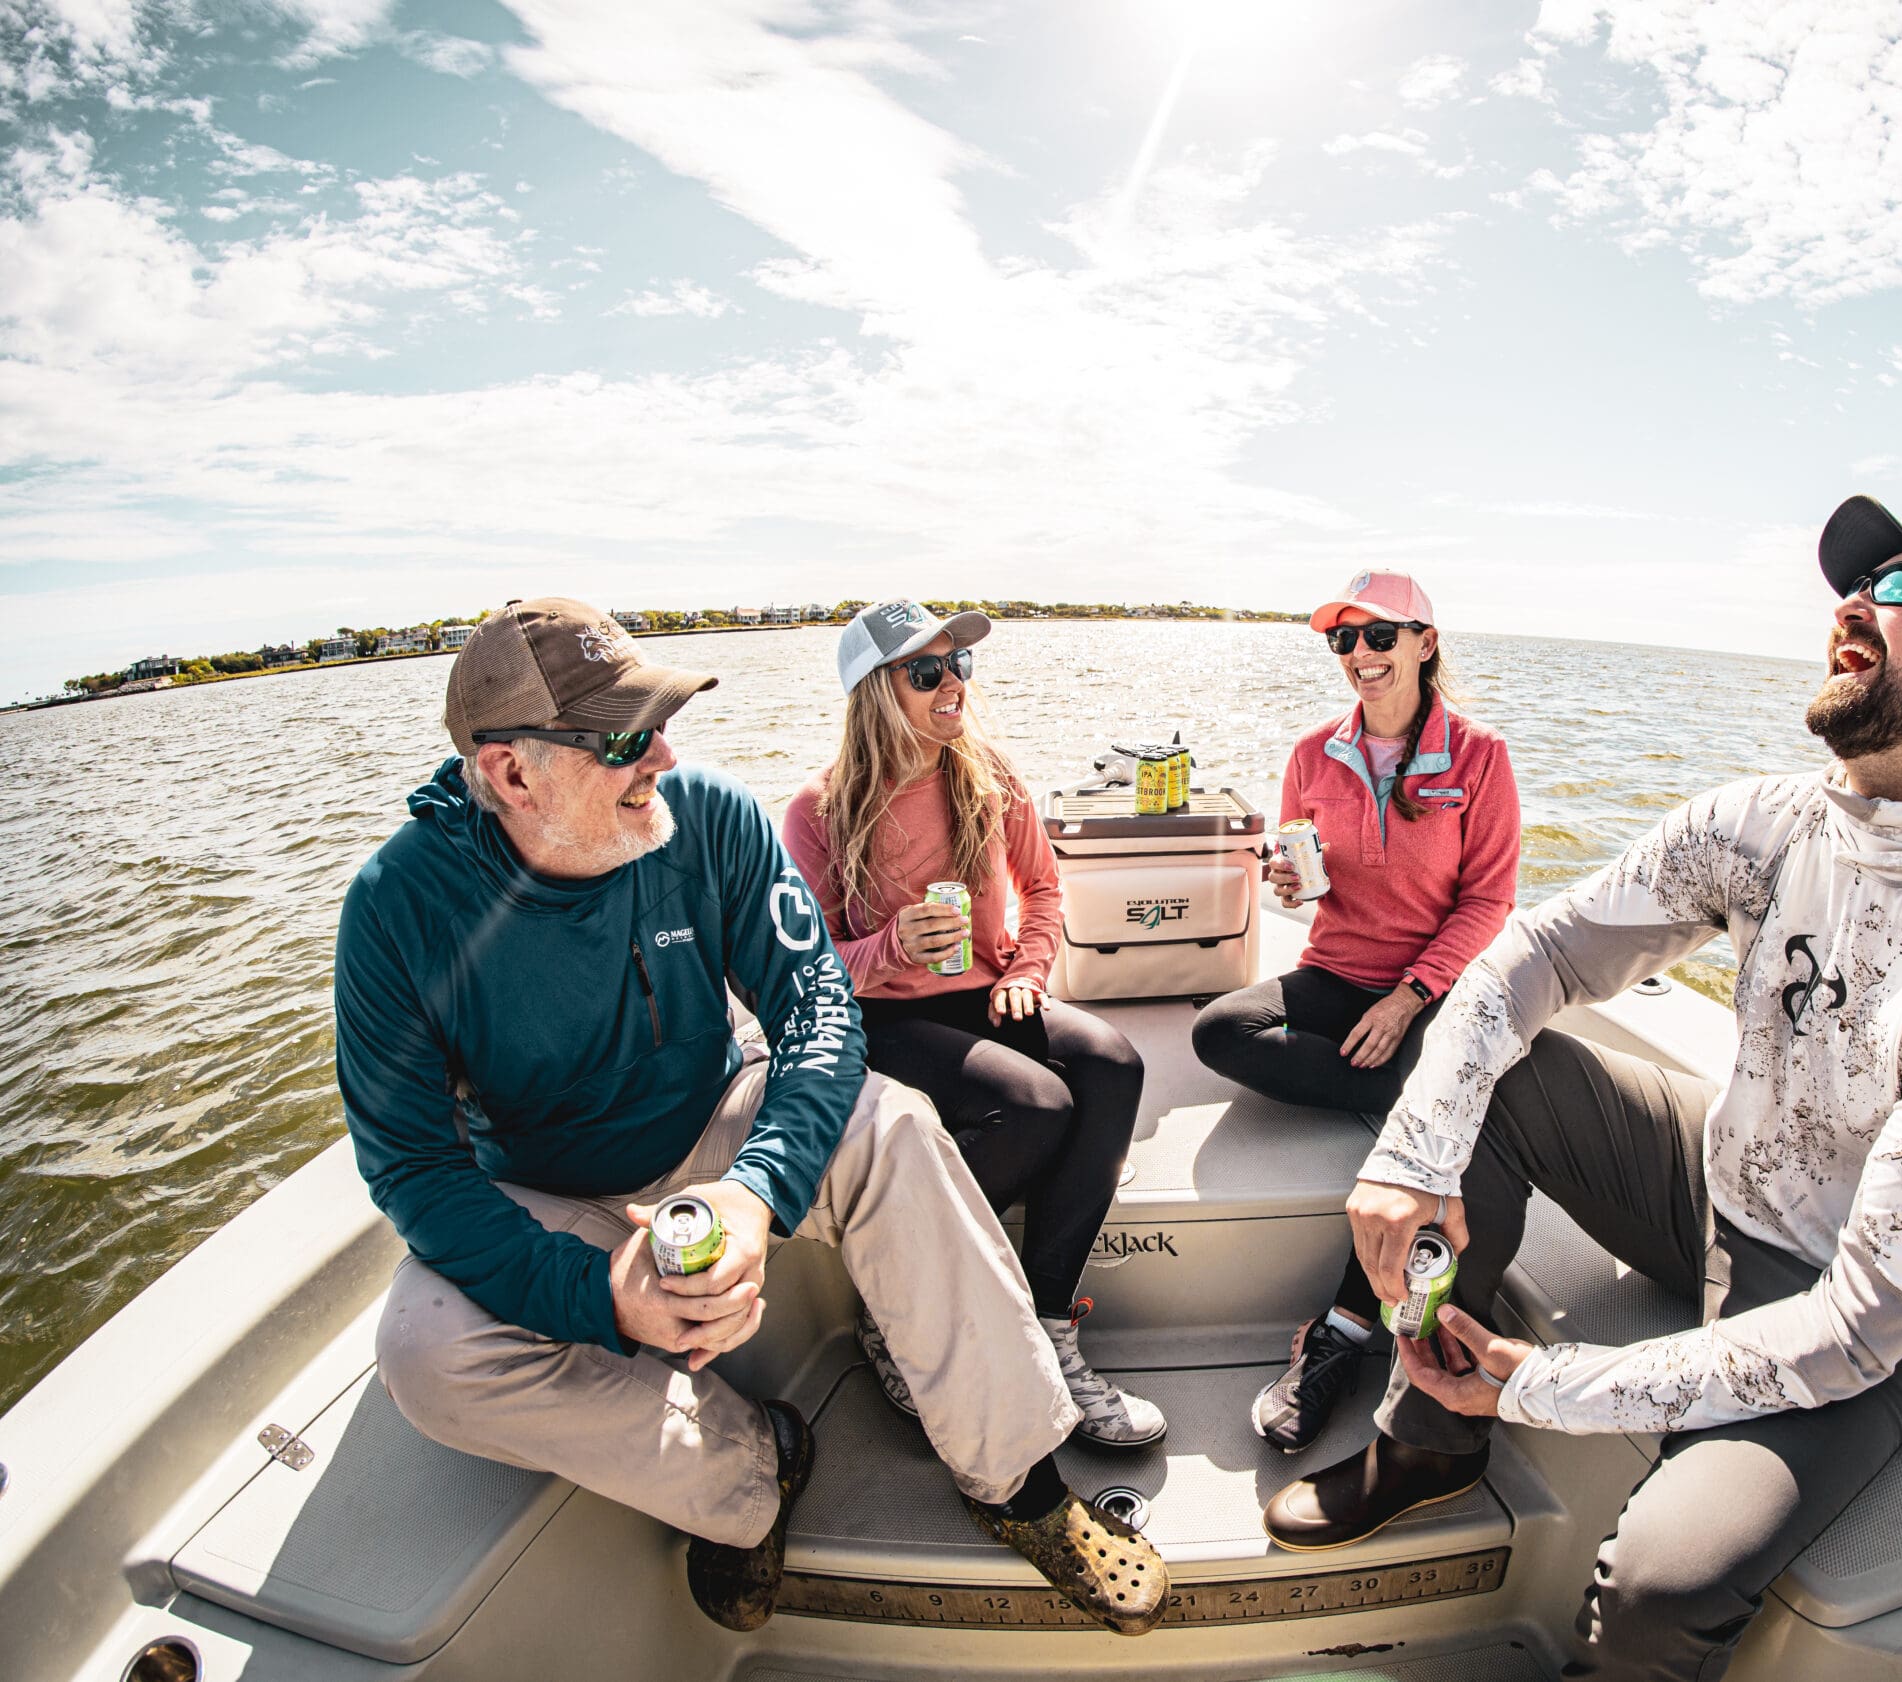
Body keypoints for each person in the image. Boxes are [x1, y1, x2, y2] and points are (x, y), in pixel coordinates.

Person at [1261, 498, 1902, 1682]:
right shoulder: (1769, 821)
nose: (1854, 607)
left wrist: (1547, 1384)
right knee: (1501, 1074)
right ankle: (1428, 1441)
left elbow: (1859, 1321)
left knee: (1659, 1586)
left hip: (1871, 1309)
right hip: (1721, 1176)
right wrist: (1414, 1149)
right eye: (1855, 589)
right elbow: (1540, 952)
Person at [339, 598, 1166, 1638]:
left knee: (895, 1125)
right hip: (550, 1190)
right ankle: (748, 1473)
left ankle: (1017, 1479)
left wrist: (754, 1183)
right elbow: (414, 1166)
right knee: (425, 1351)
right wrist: (600, 1291)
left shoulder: (707, 814)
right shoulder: (395, 908)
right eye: (624, 737)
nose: (664, 754)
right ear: (510, 771)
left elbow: (816, 1002)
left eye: (660, 721)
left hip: (716, 1120)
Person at [780, 599, 1162, 1449]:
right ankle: (898, 1310)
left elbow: (1046, 892)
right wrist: (888, 945)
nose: (952, 683)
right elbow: (803, 976)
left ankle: (1051, 1327)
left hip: (986, 994)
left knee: (1113, 1065)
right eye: (927, 671)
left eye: (960, 666)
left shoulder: (988, 773)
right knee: (1037, 1106)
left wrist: (1028, 972)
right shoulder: (819, 810)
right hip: (884, 1014)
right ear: (876, 691)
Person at [1190, 569, 1520, 1452]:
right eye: (1344, 640)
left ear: (1426, 642)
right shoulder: (1311, 753)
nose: (1361, 656)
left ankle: (1339, 1331)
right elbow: (1307, 890)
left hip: (1433, 990)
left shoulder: (1480, 755)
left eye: (1380, 636)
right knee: (1220, 1032)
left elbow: (1488, 903)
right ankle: (1404, 1107)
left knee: (1445, 1143)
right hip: (1335, 972)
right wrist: (1287, 882)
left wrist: (1411, 1000)